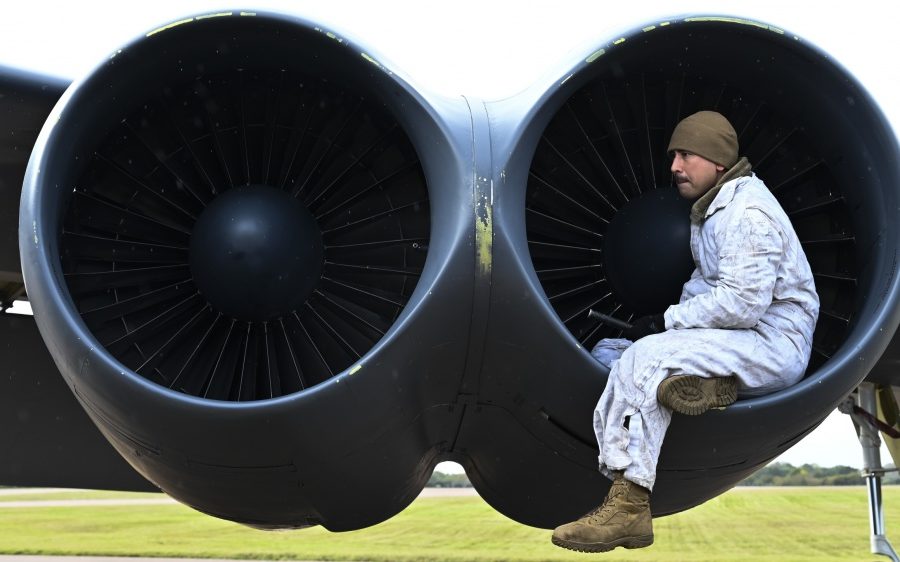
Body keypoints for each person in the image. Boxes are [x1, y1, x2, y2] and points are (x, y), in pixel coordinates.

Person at [551, 111, 820, 553]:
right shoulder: (712, 210)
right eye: (674, 155)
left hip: (772, 344)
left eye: (686, 155)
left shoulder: (747, 213)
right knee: (612, 352)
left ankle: (630, 504)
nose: (674, 166)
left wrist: (664, 324)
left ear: (717, 160)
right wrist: (654, 330)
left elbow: (742, 303)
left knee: (644, 360)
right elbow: (705, 290)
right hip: (738, 342)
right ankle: (708, 384)